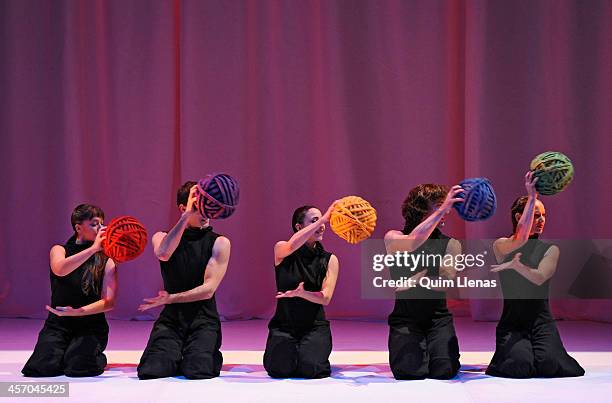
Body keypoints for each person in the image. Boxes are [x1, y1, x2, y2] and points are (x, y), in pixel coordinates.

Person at [486, 172, 584, 378]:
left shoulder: (550, 249)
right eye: (536, 214)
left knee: (550, 365)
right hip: (512, 324)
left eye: (544, 215)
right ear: (518, 217)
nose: (541, 220)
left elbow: (539, 277)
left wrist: (517, 266)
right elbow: (521, 238)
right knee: (519, 367)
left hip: (542, 322)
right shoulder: (502, 245)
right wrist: (532, 197)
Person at [137, 181, 231, 380]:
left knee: (197, 369)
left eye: (208, 204)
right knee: (152, 369)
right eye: (199, 206)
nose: (205, 211)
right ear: (183, 208)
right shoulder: (161, 236)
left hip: (203, 318)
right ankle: (174, 351)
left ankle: (198, 351)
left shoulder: (220, 242)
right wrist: (186, 216)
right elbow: (163, 253)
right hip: (172, 320)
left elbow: (208, 289)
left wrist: (171, 298)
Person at [22, 204, 117, 377]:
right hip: (59, 323)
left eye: (102, 224)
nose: (101, 229)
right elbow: (60, 269)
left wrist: (78, 312)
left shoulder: (106, 260)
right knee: (41, 367)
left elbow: (109, 302)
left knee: (78, 367)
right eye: (95, 224)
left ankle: (95, 356)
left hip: (90, 324)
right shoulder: (59, 250)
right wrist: (93, 249)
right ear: (78, 227)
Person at [384, 184, 464, 380]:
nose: (445, 210)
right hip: (405, 318)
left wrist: (416, 281)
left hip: (438, 318)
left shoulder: (451, 244)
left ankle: (437, 349)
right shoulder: (394, 237)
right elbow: (412, 242)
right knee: (409, 371)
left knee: (444, 370)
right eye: (437, 206)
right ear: (419, 209)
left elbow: (446, 282)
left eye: (445, 206)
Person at [263, 202, 340, 378]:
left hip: (314, 327)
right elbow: (291, 246)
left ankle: (309, 352)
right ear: (299, 227)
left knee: (311, 368)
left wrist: (303, 294)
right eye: (315, 220)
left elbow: (325, 298)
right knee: (278, 369)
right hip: (285, 325)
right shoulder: (282, 248)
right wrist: (324, 217)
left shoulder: (329, 260)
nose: (321, 225)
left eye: (322, 221)